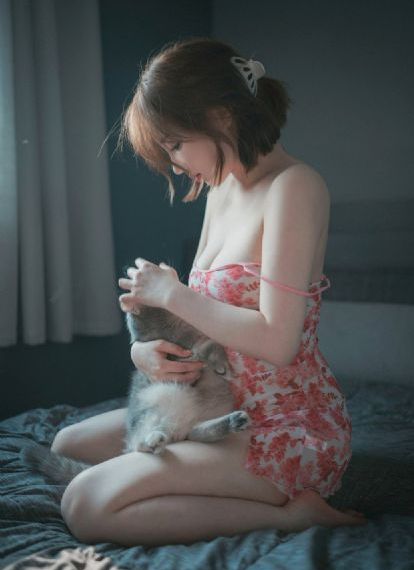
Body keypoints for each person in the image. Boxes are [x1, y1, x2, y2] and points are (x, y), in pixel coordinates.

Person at [51, 37, 368, 546]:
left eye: (174, 144)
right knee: (67, 444)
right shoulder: (219, 190)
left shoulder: (294, 186)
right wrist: (145, 351)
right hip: (210, 401)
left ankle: (295, 516)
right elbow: (206, 317)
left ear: (220, 116)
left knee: (84, 504)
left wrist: (173, 295)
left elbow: (278, 341)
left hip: (279, 422)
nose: (175, 165)